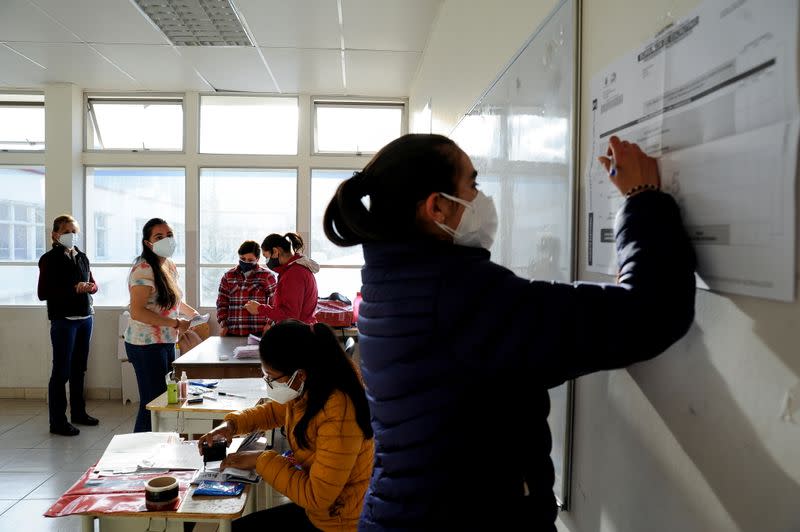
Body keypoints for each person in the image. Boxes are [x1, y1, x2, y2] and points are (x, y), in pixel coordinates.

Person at [322, 133, 697, 531]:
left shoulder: (391, 282)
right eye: (474, 184)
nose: (482, 198)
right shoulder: (460, 294)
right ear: (437, 207)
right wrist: (641, 196)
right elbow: (651, 314)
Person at [197, 319, 374, 531]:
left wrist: (261, 460)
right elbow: (273, 411)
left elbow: (316, 497)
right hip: (324, 511)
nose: (269, 384)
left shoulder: (339, 411)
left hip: (339, 521)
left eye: (271, 377)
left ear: (299, 375)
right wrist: (231, 425)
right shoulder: (313, 384)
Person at [124, 218, 199, 432]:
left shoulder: (168, 265)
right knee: (152, 402)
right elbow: (137, 311)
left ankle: (159, 447)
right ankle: (141, 451)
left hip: (166, 340)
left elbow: (170, 299)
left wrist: (191, 314)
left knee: (165, 397)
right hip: (145, 344)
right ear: (148, 243)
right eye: (159, 237)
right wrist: (176, 322)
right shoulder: (143, 269)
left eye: (169, 235)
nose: (166, 240)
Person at [37, 215, 99, 436]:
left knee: (79, 370)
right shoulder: (49, 259)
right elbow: (43, 293)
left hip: (85, 318)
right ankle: (57, 421)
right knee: (61, 371)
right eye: (66, 231)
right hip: (64, 321)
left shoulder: (81, 256)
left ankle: (79, 413)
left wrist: (91, 287)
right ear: (55, 235)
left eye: (74, 231)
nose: (71, 235)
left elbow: (93, 282)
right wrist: (73, 289)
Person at [244, 232, 319, 326]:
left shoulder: (293, 274)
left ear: (275, 251)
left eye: (266, 257)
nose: (267, 261)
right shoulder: (296, 269)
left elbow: (290, 316)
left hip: (298, 334)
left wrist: (260, 309)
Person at [216, 240, 277, 336]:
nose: (245, 262)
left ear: (257, 259)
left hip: (259, 332)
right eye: (242, 258)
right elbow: (222, 303)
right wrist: (223, 324)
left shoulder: (267, 276)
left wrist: (269, 324)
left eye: (250, 260)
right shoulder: (228, 276)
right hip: (232, 331)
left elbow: (275, 303)